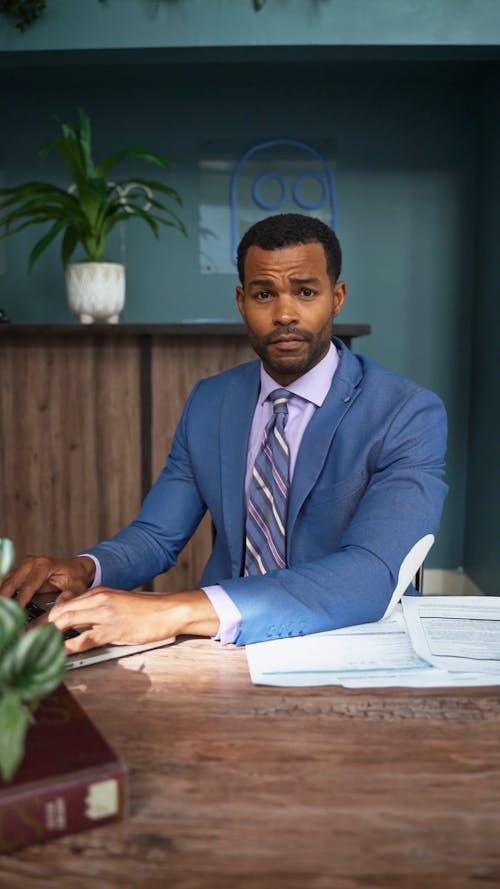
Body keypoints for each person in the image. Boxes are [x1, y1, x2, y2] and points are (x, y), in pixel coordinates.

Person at [0, 213, 448, 652]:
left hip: (353, 643)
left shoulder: (407, 412)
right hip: (224, 646)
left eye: (306, 291)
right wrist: (85, 568)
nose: (284, 313)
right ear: (241, 301)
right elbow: (157, 536)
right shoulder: (210, 401)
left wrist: (170, 611)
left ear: (337, 297)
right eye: (264, 294)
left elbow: (370, 574)